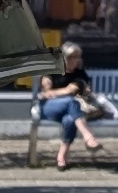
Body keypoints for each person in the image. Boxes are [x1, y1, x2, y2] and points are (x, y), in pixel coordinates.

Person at [34, 40, 107, 170]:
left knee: (69, 119)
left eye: (78, 57)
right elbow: (47, 91)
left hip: (73, 112)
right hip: (49, 108)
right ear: (64, 57)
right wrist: (60, 92)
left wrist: (55, 92)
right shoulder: (52, 70)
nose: (77, 60)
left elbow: (72, 90)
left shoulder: (80, 73)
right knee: (70, 101)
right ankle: (88, 136)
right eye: (73, 57)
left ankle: (61, 157)